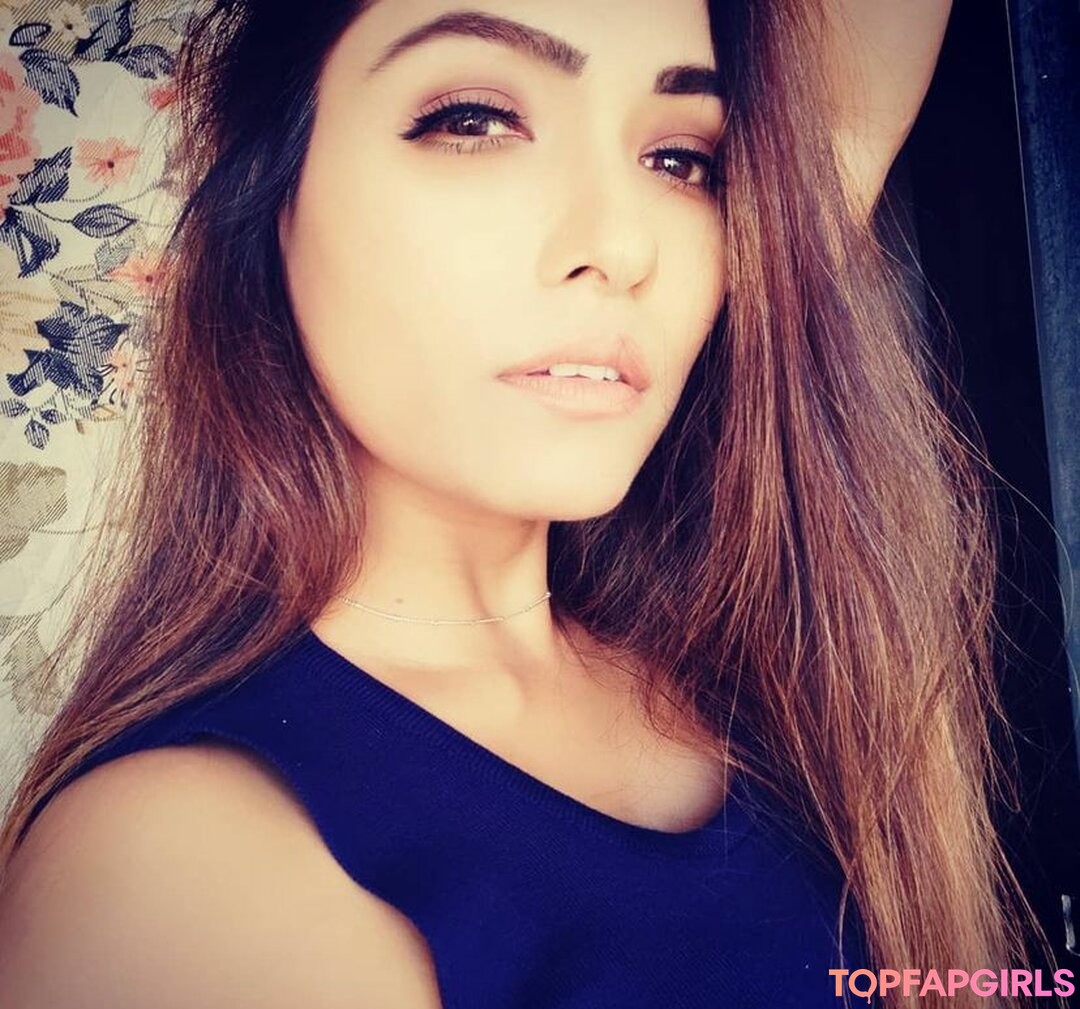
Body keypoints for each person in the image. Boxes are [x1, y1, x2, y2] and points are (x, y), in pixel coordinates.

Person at [0, 1, 1066, 1007]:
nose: (625, 246)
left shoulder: (727, 634)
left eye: (680, 160)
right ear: (277, 194)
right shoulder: (179, 872)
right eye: (475, 120)